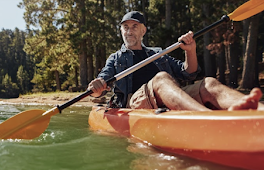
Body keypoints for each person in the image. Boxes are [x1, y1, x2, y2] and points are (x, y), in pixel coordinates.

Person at [87, 11, 264, 111]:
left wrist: (191, 50)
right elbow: (99, 89)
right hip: (136, 102)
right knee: (161, 78)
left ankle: (256, 111)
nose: (129, 31)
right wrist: (96, 88)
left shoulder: (158, 53)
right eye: (125, 28)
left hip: (169, 96)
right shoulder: (115, 58)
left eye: (134, 27)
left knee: (209, 83)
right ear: (121, 31)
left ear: (143, 31)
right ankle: (205, 118)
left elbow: (189, 72)